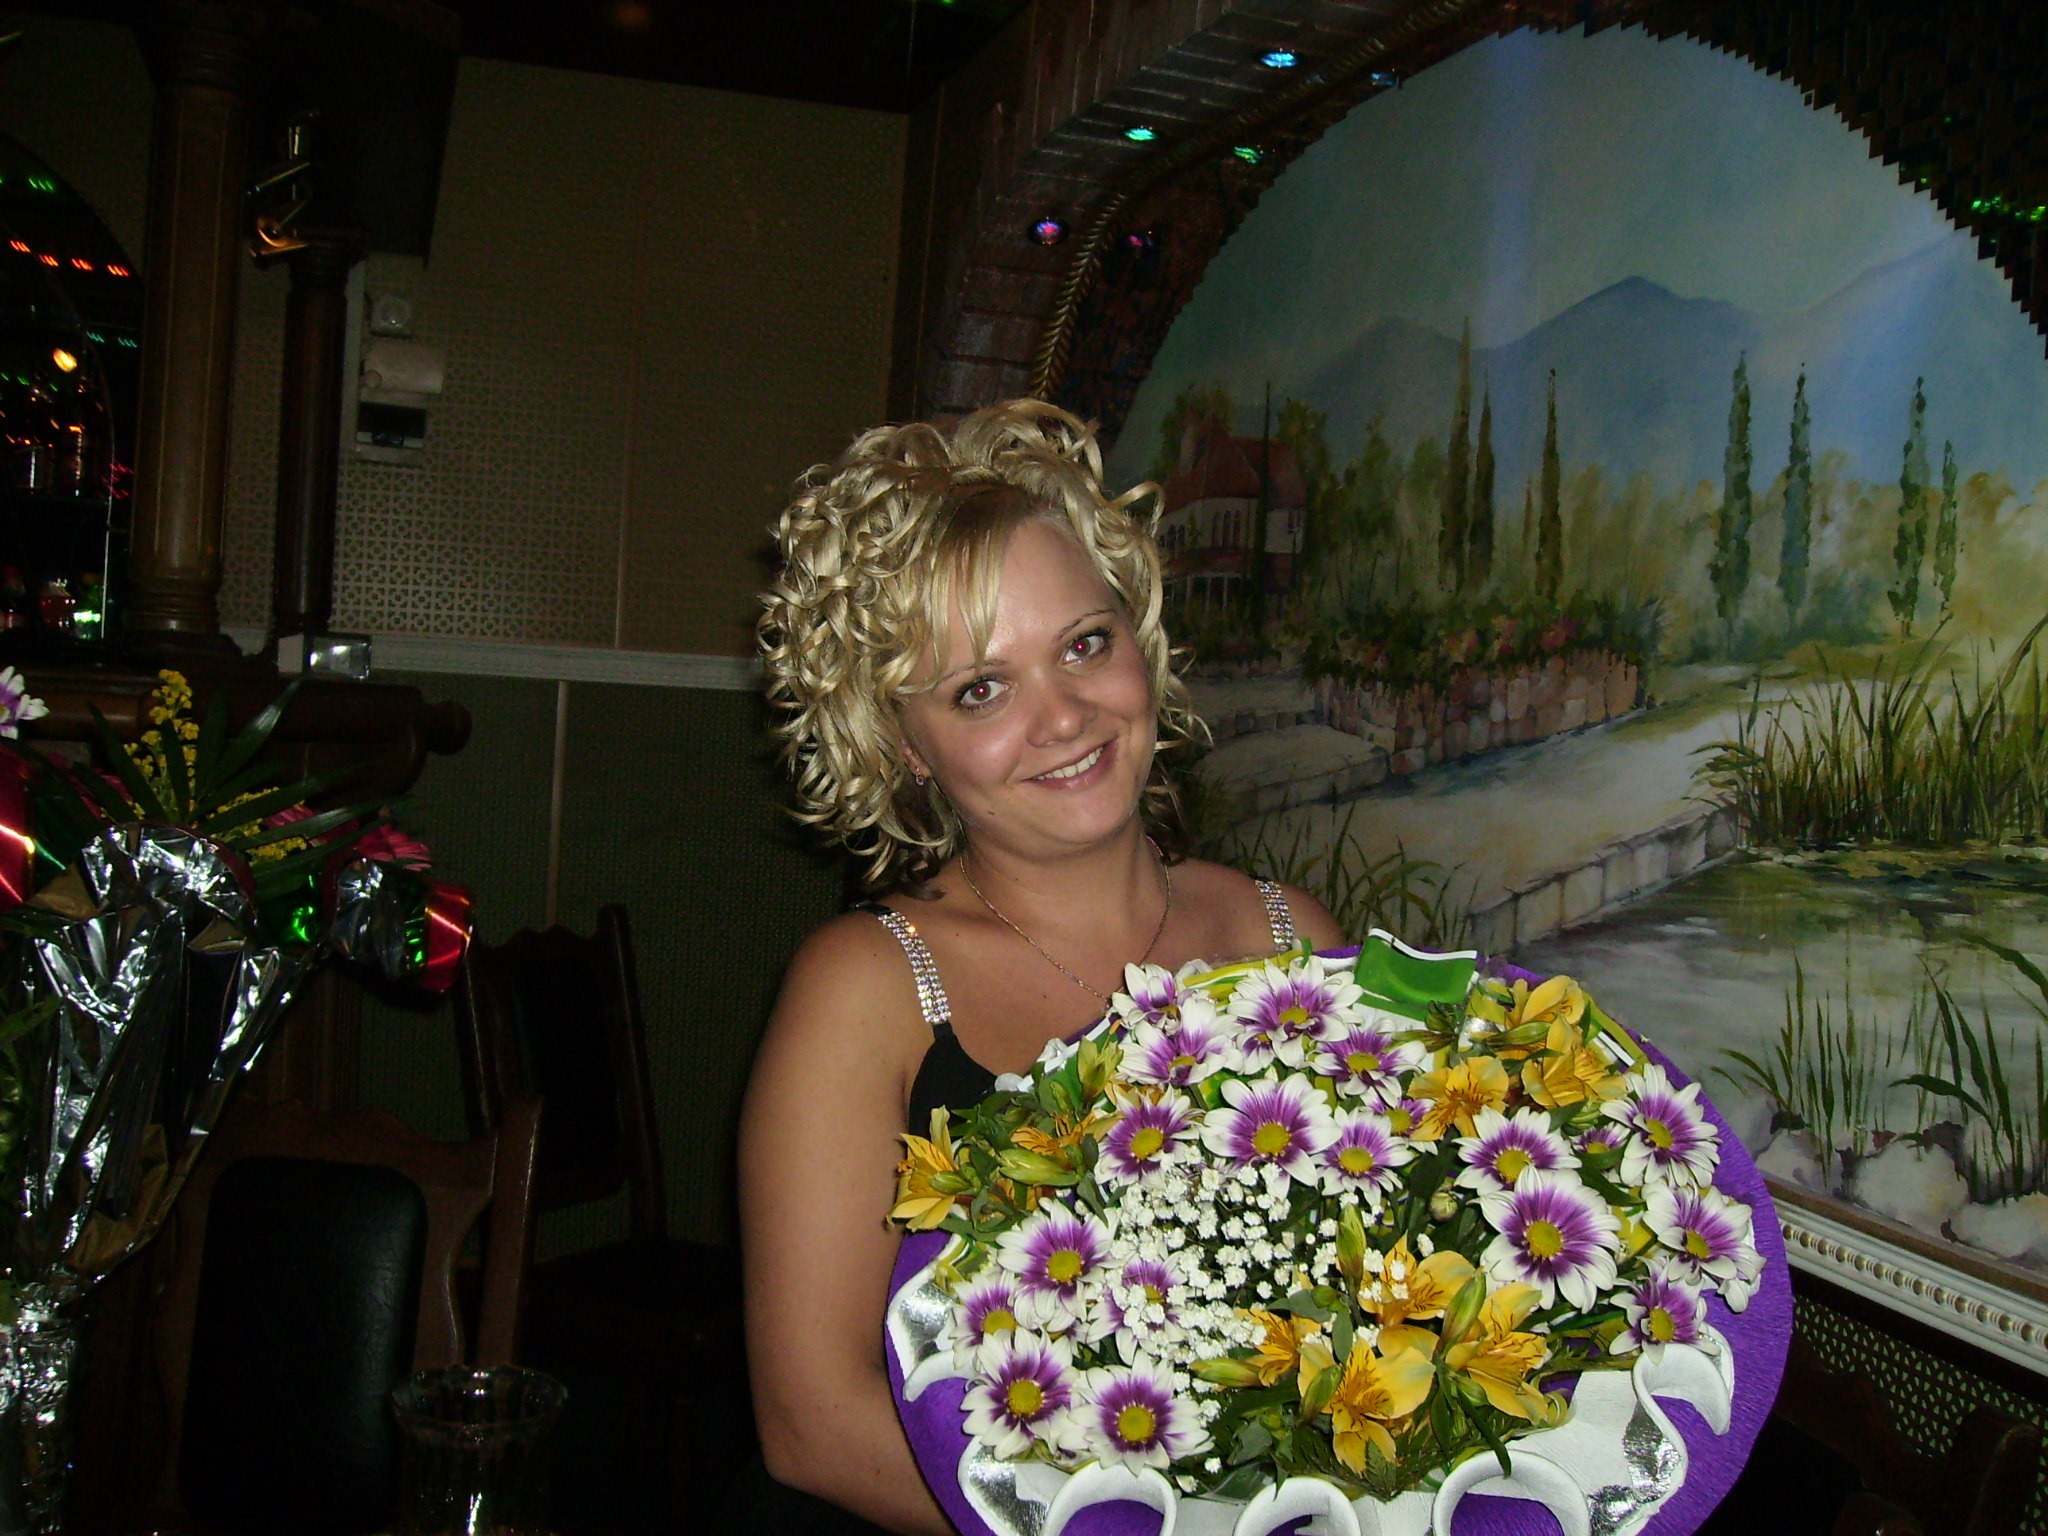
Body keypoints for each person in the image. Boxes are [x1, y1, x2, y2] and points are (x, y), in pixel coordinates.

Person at [723, 399, 1342, 1534]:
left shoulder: (1290, 937)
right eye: (981, 688)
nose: (1062, 717)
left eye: (1083, 644)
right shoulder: (863, 990)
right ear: (904, 745)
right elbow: (813, 1423)